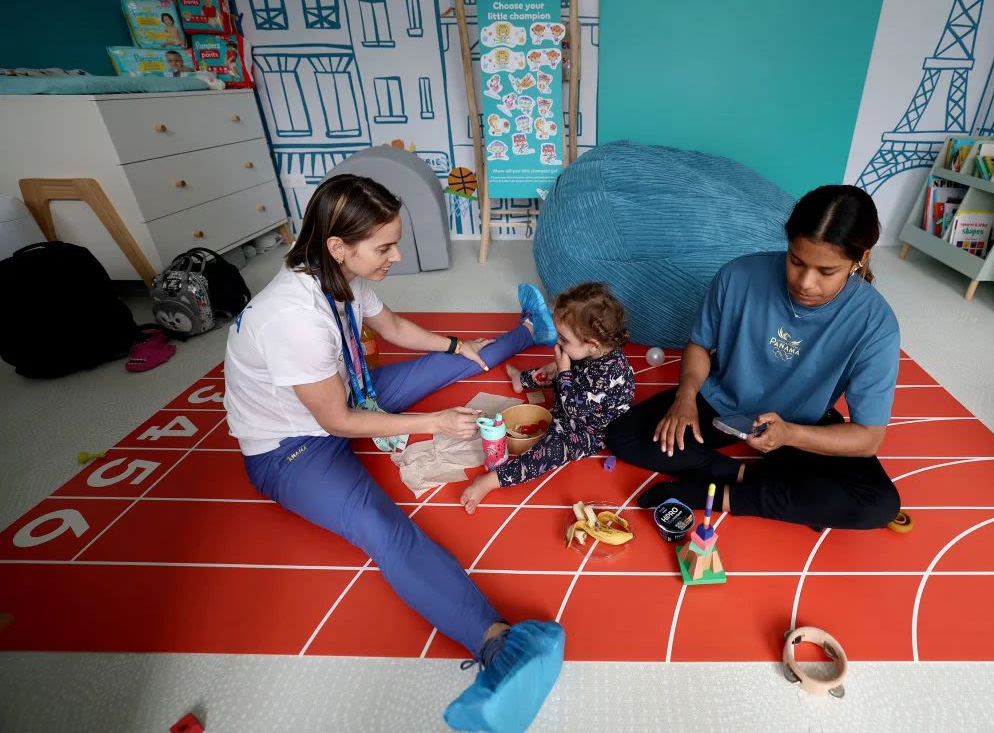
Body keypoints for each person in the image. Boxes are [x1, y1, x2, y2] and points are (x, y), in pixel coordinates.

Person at [223, 174, 565, 731]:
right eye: (384, 247)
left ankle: (531, 329)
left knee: (448, 360)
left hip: (347, 394)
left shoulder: (336, 273)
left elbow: (396, 326)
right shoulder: (295, 319)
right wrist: (434, 421)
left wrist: (457, 346)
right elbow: (335, 421)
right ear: (338, 245)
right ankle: (495, 642)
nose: (397, 255)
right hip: (291, 450)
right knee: (385, 530)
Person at [607, 185, 902, 530]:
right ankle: (740, 473)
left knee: (879, 504)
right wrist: (685, 397)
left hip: (801, 425)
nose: (805, 282)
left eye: (826, 271)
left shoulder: (876, 323)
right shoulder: (739, 276)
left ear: (860, 258)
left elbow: (869, 437)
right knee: (624, 436)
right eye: (795, 260)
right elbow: (700, 345)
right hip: (722, 403)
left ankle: (717, 496)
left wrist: (790, 434)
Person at [460, 282, 635, 512]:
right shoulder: (595, 350)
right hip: (576, 397)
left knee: (550, 451)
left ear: (592, 345)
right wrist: (560, 369)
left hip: (590, 430)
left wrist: (564, 372)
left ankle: (491, 481)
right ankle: (521, 380)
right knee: (553, 369)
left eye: (564, 339)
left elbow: (574, 409)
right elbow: (576, 372)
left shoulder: (608, 373)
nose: (557, 342)